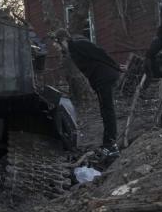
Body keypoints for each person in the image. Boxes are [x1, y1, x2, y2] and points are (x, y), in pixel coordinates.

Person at [51, 28, 120, 158]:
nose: (55, 47)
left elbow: (100, 53)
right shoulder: (72, 49)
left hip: (104, 77)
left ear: (63, 40)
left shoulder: (78, 44)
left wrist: (115, 66)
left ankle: (110, 144)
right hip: (101, 79)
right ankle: (108, 143)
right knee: (105, 110)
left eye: (56, 43)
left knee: (107, 110)